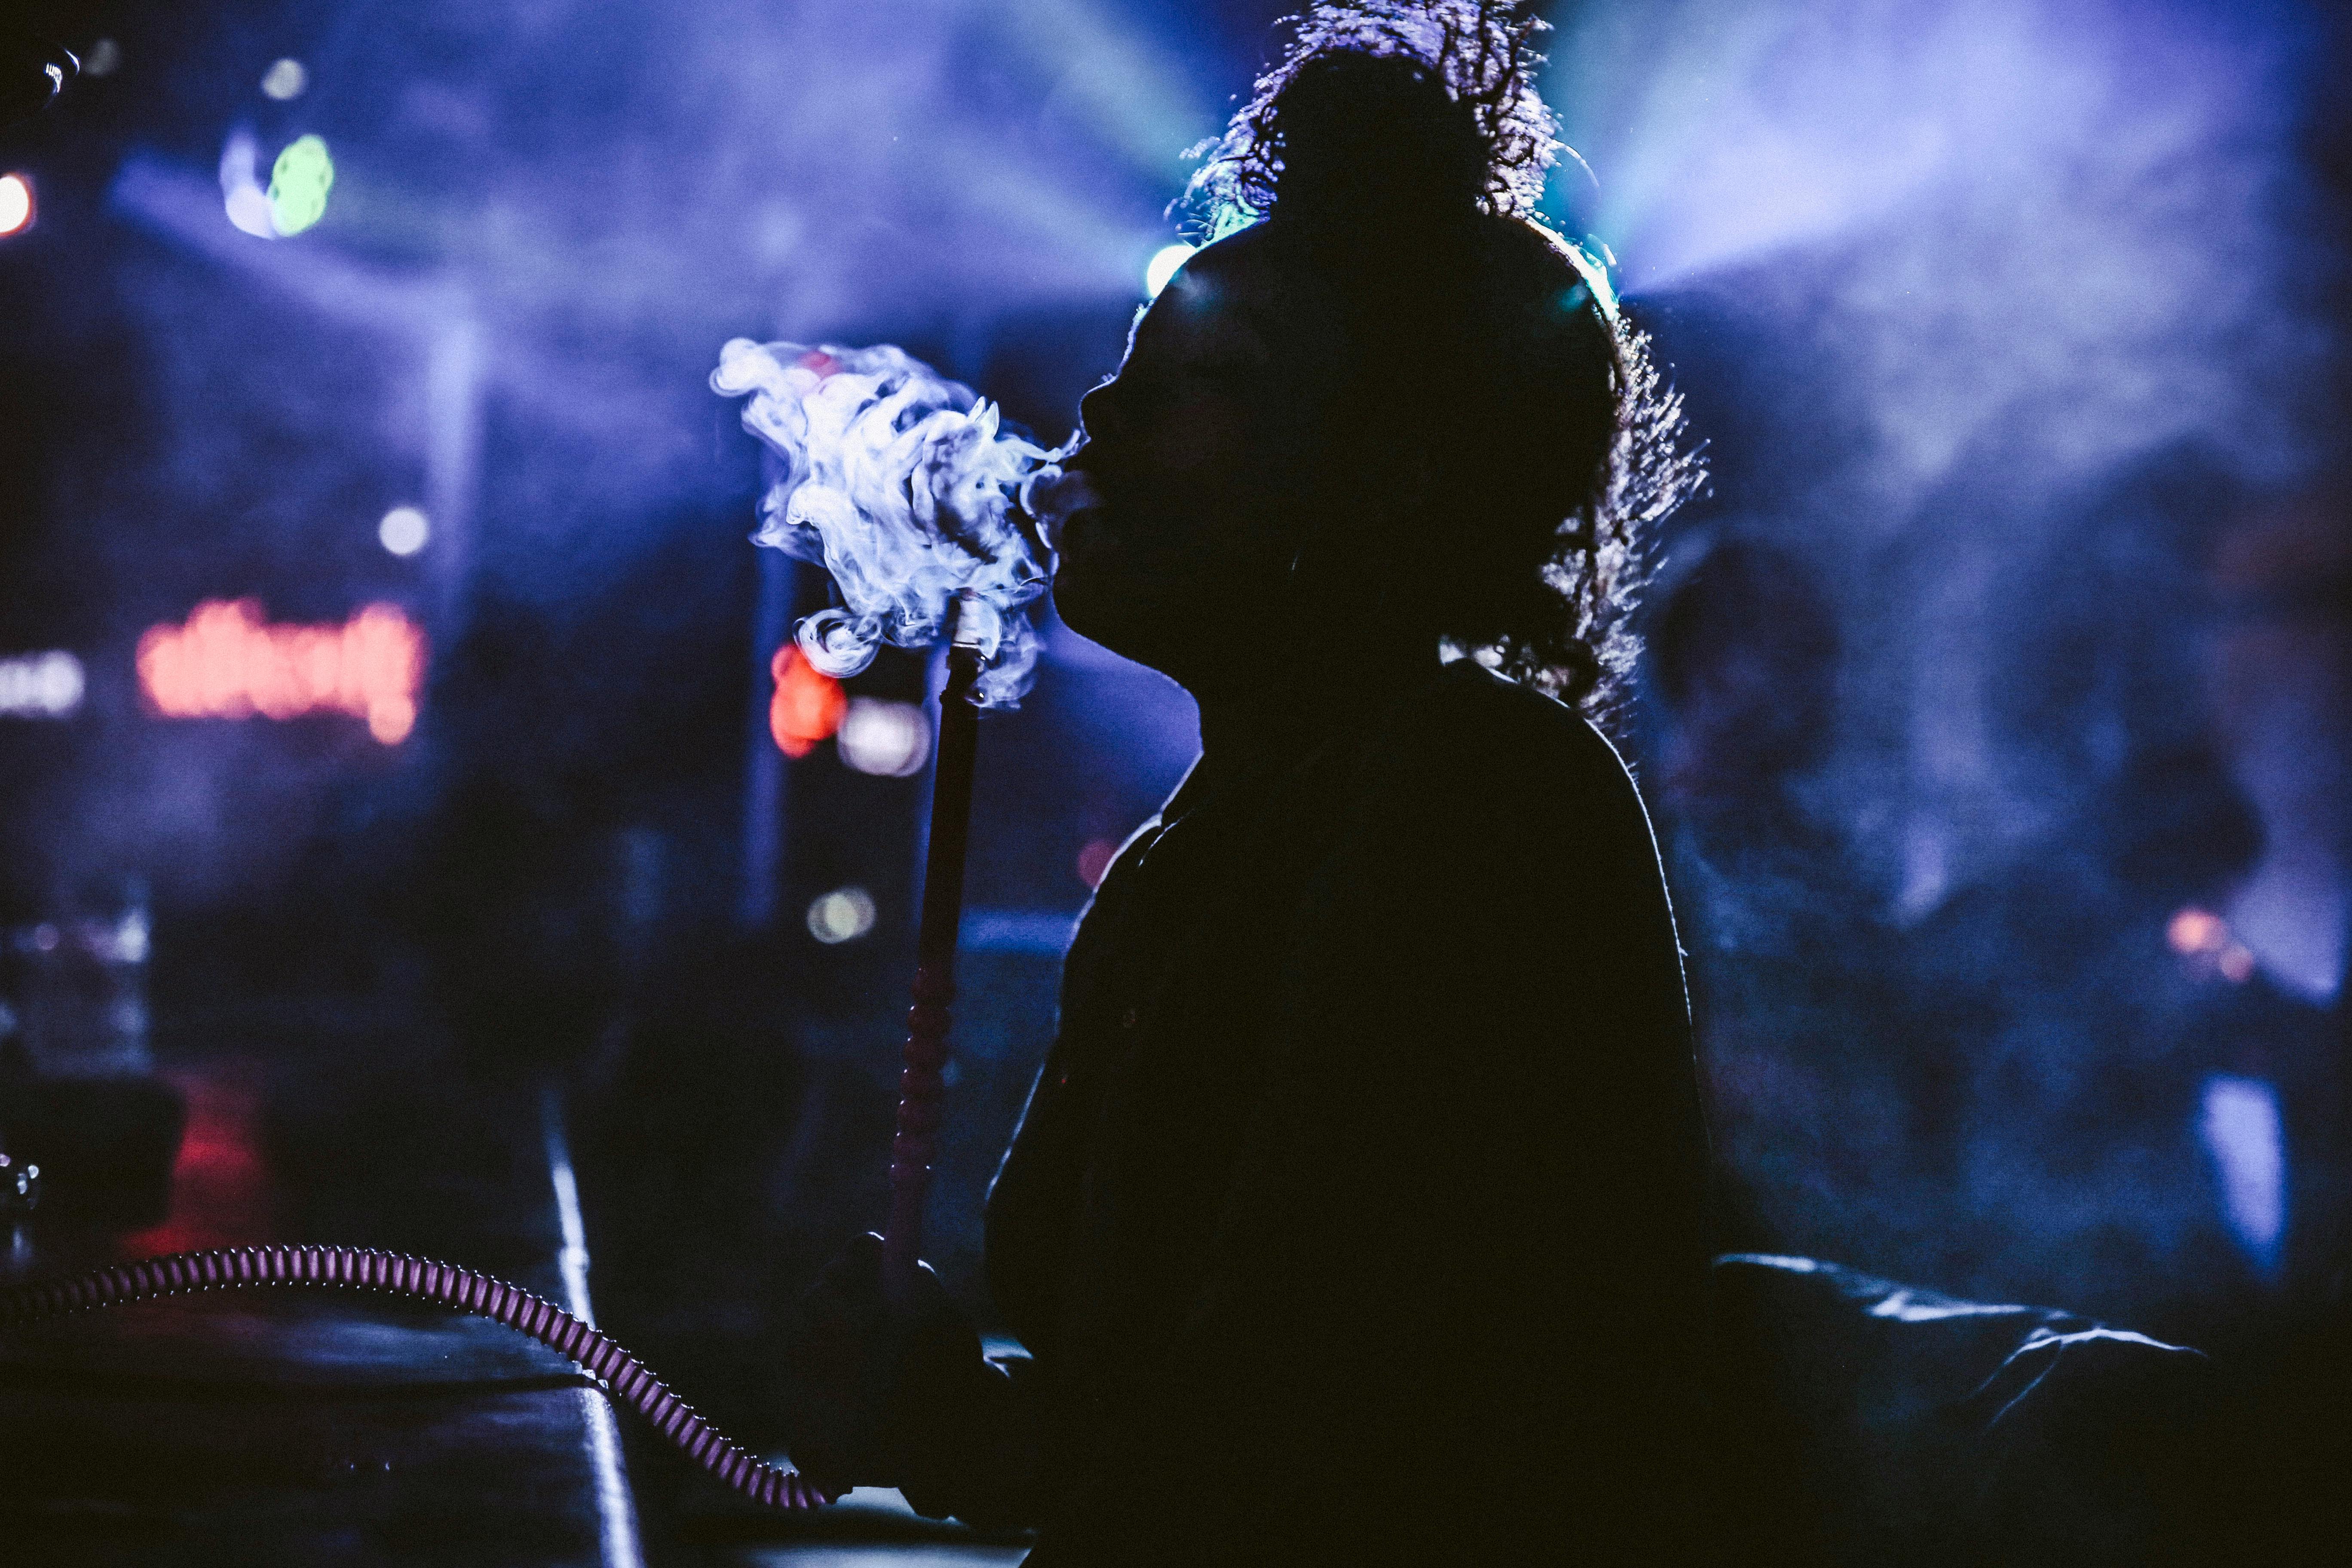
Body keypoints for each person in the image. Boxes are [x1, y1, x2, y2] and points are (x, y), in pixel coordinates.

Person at [790, 5, 1711, 1560]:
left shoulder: (1470, 807)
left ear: (1385, 473)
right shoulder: (1209, 845)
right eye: (1130, 365)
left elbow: (1299, 1461)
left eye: (1203, 379)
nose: (1098, 416)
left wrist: (965, 1428)